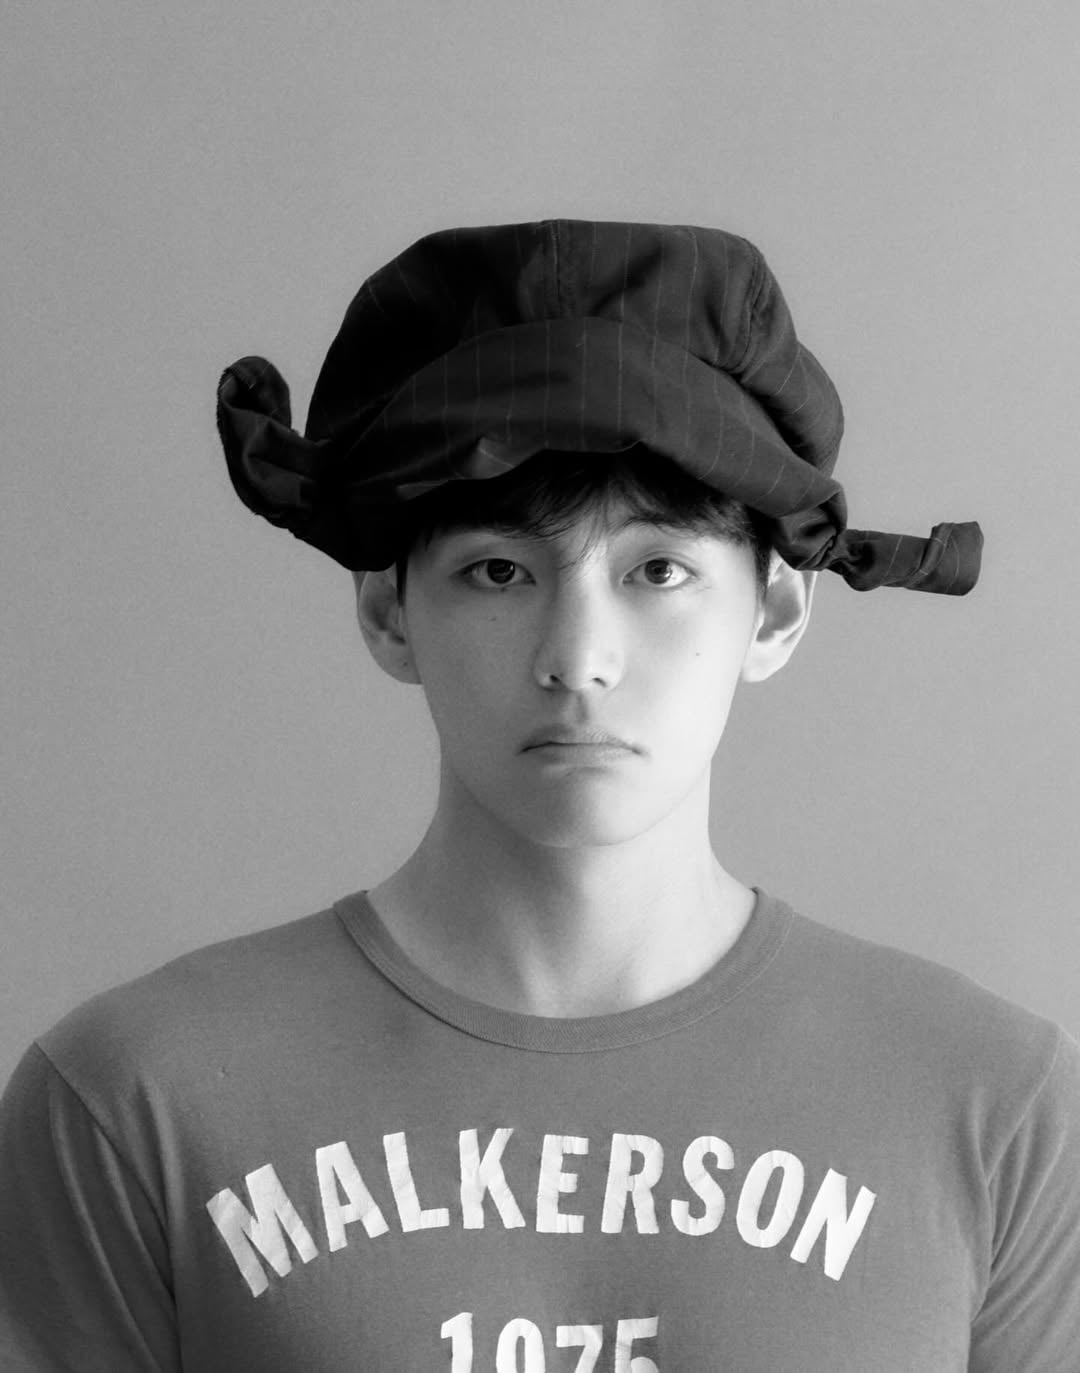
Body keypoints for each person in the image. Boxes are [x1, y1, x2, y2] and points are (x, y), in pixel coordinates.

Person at [1, 219, 1076, 1371]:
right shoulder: (134, 1102)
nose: (578, 657)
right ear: (387, 610)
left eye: (657, 568)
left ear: (774, 611)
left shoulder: (992, 1107)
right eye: (499, 570)